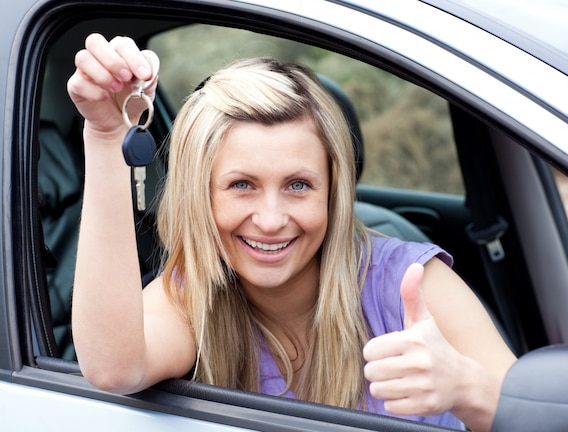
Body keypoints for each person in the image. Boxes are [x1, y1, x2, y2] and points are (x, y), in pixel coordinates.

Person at [68, 33, 516, 432]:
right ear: (201, 196)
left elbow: (539, 417)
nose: (270, 219)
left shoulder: (410, 283)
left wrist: (463, 388)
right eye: (241, 185)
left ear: (333, 192)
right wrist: (107, 135)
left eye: (298, 185)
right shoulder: (192, 297)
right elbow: (113, 368)